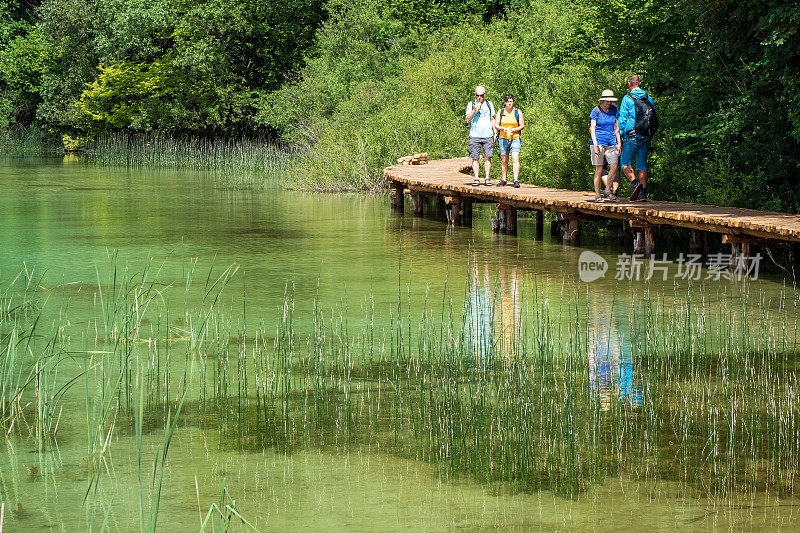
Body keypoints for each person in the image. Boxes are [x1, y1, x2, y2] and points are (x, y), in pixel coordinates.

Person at [618, 75, 656, 201]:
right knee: (642, 164)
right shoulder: (648, 97)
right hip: (645, 136)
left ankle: (635, 184)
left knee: (624, 163)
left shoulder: (627, 98)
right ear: (639, 83)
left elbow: (622, 119)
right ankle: (643, 194)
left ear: (629, 83)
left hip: (631, 136)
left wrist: (621, 135)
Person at [589, 89, 622, 202]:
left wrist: (619, 143)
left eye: (610, 101)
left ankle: (607, 190)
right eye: (607, 101)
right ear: (603, 100)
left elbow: (616, 127)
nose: (609, 103)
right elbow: (592, 128)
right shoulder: (596, 110)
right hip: (598, 142)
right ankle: (597, 195)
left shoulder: (614, 110)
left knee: (614, 166)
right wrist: (596, 145)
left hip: (611, 142)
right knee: (599, 169)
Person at [465, 86, 496, 186]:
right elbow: (467, 120)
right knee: (475, 157)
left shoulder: (489, 104)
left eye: (481, 95)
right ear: (475, 95)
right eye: (477, 95)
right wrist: (474, 110)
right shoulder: (471, 104)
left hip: (487, 134)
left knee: (488, 157)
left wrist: (495, 132)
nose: (479, 98)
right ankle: (476, 178)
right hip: (475, 135)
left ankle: (487, 178)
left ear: (484, 95)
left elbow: (492, 119)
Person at [494, 94, 524, 188]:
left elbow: (522, 125)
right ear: (505, 102)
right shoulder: (501, 112)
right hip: (503, 137)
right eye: (507, 101)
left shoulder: (518, 112)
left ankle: (516, 180)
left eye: (510, 101)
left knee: (515, 158)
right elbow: (496, 125)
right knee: (504, 160)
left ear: (513, 102)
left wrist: (514, 130)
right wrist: (503, 129)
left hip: (515, 137)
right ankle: (504, 180)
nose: (509, 103)